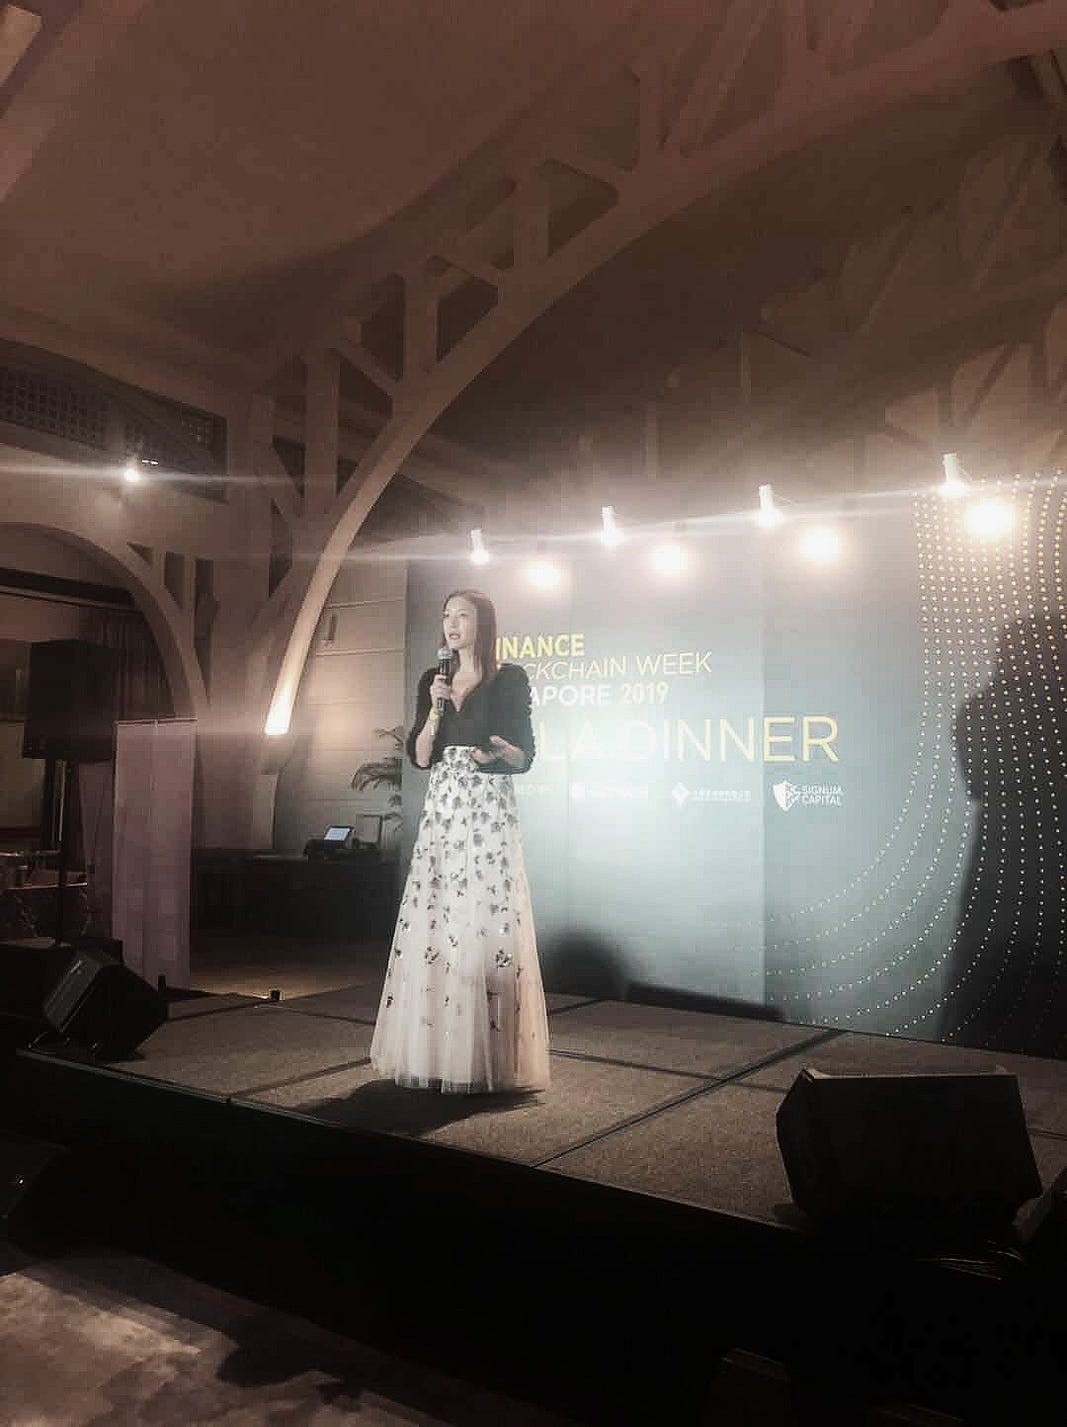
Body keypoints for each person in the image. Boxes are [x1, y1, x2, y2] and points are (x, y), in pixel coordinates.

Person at [370, 589, 550, 1093]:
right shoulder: (435, 679)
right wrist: (435, 708)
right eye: (447, 616)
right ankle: (434, 1048)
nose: (452, 624)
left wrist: (500, 753)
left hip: (487, 809)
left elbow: (525, 755)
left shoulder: (509, 678)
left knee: (486, 922)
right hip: (445, 810)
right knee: (440, 919)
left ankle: (486, 1054)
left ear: (482, 623)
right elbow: (420, 757)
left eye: (462, 616)